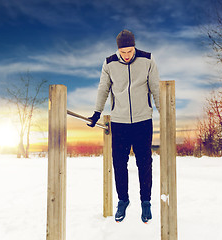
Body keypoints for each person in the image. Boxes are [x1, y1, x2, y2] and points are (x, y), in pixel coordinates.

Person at [88, 30, 160, 223]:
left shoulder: (148, 60)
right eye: (123, 52)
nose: (126, 56)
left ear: (134, 46)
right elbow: (103, 88)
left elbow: (156, 89)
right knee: (119, 163)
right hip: (119, 122)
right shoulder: (109, 63)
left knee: (144, 163)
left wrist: (165, 114)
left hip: (143, 120)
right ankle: (123, 200)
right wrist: (97, 112)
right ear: (117, 49)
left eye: (129, 51)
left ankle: (146, 201)